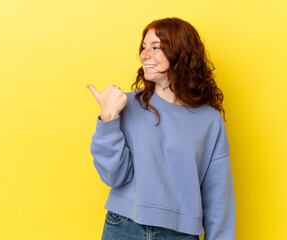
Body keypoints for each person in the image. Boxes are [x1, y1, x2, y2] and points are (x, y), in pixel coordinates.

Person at [87, 17, 235, 240]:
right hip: (124, 226)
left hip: (180, 234)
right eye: (144, 47)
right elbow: (113, 176)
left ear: (179, 52)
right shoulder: (125, 105)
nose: (145, 55)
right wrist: (107, 119)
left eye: (155, 47)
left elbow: (218, 197)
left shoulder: (209, 121)